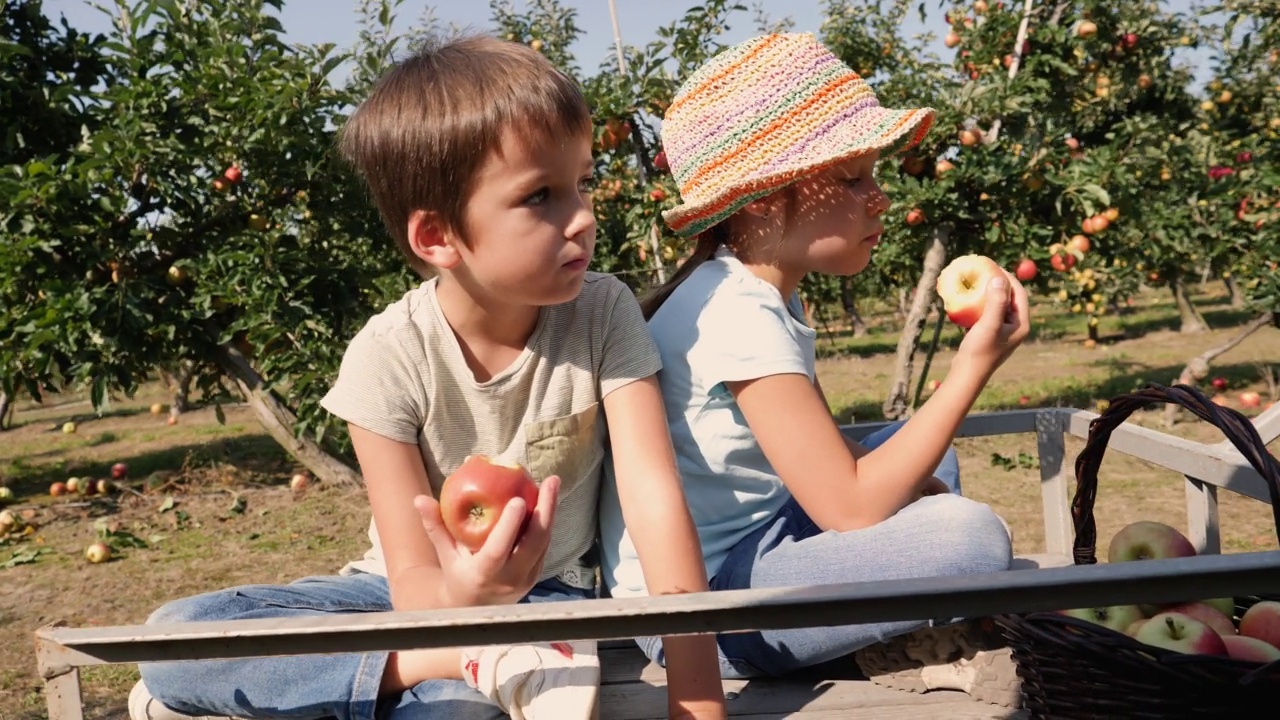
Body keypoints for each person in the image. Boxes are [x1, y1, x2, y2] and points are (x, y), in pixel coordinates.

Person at [129, 33, 725, 720]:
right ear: (437, 237)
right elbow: (411, 581)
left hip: (547, 597)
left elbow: (655, 500)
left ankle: (314, 688)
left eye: (583, 183)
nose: (585, 216)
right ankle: (453, 660)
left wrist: (698, 696)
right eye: (541, 196)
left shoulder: (604, 312)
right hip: (404, 599)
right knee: (175, 633)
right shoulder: (385, 358)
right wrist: (458, 616)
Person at [599, 32, 1030, 707]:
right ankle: (891, 639)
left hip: (764, 535)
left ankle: (882, 626)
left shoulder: (759, 290)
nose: (879, 198)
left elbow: (833, 459)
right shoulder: (736, 314)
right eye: (854, 178)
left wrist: (912, 487)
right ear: (768, 197)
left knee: (920, 461)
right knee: (971, 537)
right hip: (708, 611)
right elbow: (849, 504)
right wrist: (974, 367)